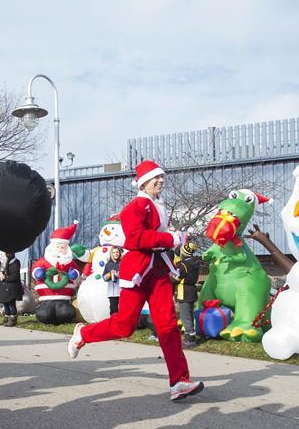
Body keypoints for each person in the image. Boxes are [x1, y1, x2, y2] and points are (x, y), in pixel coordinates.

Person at [67, 160, 204, 402]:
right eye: (155, 177)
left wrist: (173, 240)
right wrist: (171, 238)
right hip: (138, 272)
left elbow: (157, 238)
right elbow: (135, 238)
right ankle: (83, 334)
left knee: (168, 326)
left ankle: (179, 381)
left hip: (158, 271)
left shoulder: (159, 205)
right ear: (143, 183)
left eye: (162, 176)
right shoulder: (135, 207)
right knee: (124, 326)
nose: (160, 180)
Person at [172, 242, 201, 348]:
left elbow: (176, 279)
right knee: (189, 315)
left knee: (185, 316)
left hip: (184, 291)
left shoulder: (184, 265)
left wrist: (170, 276)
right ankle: (191, 335)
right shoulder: (195, 263)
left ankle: (190, 339)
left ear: (184, 253)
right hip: (192, 291)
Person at [0, 252, 22, 326]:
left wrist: (5, 278)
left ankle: (13, 319)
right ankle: (6, 318)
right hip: (5, 285)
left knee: (11, 303)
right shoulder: (6, 262)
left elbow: (15, 276)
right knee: (5, 302)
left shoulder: (16, 262)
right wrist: (1, 274)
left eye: (8, 253)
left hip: (12, 286)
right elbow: (3, 271)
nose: (6, 255)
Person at [103, 246, 122, 315]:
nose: (115, 254)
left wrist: (116, 274)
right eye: (114, 252)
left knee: (123, 310)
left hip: (121, 291)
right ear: (111, 254)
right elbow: (104, 278)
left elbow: (125, 275)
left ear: (119, 253)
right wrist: (109, 275)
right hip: (112, 293)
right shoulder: (108, 264)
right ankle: (114, 321)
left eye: (117, 252)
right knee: (113, 310)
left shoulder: (122, 263)